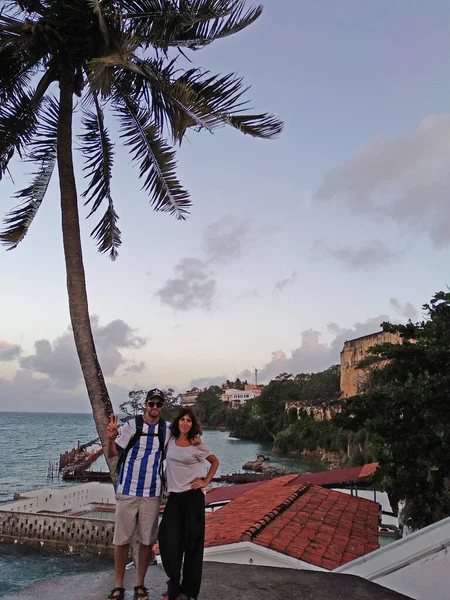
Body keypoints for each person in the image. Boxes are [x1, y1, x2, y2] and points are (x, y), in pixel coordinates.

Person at [106, 388, 171, 600]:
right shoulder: (132, 425)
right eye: (151, 404)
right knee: (121, 540)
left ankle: (140, 584)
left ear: (162, 407)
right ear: (145, 405)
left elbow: (178, 449)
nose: (155, 408)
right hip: (127, 490)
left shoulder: (166, 429)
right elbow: (113, 453)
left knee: (146, 541)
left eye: (158, 404)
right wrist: (110, 438)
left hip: (152, 493)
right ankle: (118, 585)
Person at [158, 407, 219, 600]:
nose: (185, 423)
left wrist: (206, 481)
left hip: (193, 498)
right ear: (177, 422)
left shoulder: (197, 445)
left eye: (189, 420)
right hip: (175, 498)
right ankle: (174, 585)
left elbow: (215, 462)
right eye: (182, 419)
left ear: (193, 425)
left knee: (192, 545)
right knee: (168, 541)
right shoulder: (170, 440)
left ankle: (188, 591)